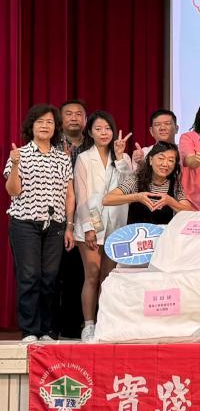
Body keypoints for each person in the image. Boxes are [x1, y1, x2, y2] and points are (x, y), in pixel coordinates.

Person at [5, 105, 76, 342]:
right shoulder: (20, 154)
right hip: (25, 223)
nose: (45, 126)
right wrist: (15, 165)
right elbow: (13, 191)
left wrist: (69, 225)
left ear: (56, 128)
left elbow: (69, 195)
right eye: (40, 122)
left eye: (50, 122)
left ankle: (47, 330)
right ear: (31, 126)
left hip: (55, 225)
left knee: (50, 278)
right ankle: (29, 330)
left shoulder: (62, 158)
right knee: (29, 276)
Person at [73, 111, 134, 343]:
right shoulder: (83, 158)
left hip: (116, 225)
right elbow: (81, 195)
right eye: (98, 129)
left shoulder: (122, 157)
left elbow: (130, 185)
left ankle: (105, 323)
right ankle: (89, 325)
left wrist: (120, 157)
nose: (103, 133)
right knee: (92, 274)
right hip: (90, 225)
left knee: (108, 278)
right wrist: (88, 227)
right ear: (90, 132)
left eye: (107, 128)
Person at [55, 99, 87, 339]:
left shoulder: (95, 143)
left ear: (85, 119)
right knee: (57, 273)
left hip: (87, 216)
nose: (74, 117)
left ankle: (80, 326)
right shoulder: (50, 143)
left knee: (82, 273)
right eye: (69, 114)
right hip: (57, 215)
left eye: (79, 114)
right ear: (61, 119)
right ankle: (56, 327)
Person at [103, 142, 193, 225]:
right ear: (150, 160)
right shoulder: (137, 179)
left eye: (171, 160)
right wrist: (137, 197)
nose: (165, 164)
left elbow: (189, 211)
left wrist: (170, 201)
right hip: (136, 235)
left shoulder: (175, 184)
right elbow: (107, 199)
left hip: (163, 235)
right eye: (161, 158)